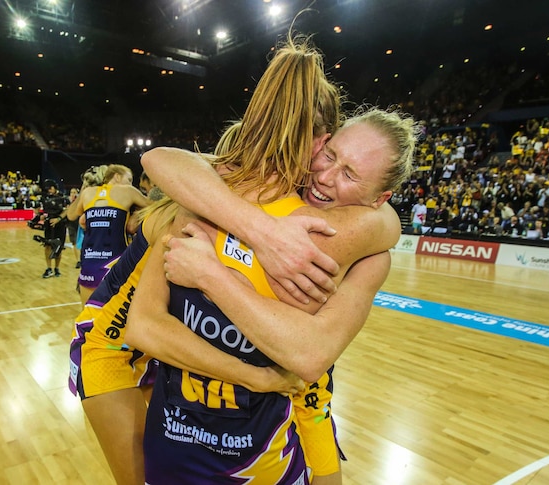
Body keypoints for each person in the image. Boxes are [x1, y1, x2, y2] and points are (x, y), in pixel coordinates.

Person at [68, 38, 345, 485]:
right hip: (110, 346)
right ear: (319, 143)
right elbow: (146, 328)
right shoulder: (199, 204)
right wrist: (254, 378)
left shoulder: (248, 197)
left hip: (161, 351)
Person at [133, 107, 415, 484]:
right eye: (329, 155)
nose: (326, 177)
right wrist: (262, 231)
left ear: (381, 198)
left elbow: (310, 356)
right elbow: (160, 160)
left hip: (279, 413)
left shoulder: (369, 247)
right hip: (184, 418)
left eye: (349, 175)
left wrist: (210, 275)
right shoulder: (253, 187)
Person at [66, 164, 151, 305]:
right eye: (129, 179)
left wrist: (83, 191)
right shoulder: (127, 191)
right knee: (117, 320)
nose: (131, 184)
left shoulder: (88, 193)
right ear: (117, 176)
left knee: (88, 318)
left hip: (89, 264)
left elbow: (71, 215)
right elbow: (155, 206)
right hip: (116, 265)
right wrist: (136, 214)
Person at [37, 179, 69, 278]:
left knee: (58, 246)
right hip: (48, 225)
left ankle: (57, 268)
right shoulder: (44, 198)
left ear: (55, 187)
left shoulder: (63, 198)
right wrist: (40, 215)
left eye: (51, 188)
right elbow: (38, 210)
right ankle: (49, 268)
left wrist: (58, 219)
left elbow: (67, 210)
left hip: (60, 225)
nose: (49, 190)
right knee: (47, 245)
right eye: (48, 189)